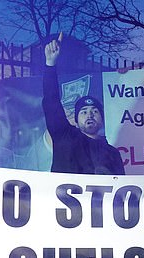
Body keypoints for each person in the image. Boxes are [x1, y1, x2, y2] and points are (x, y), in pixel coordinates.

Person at [42, 33, 125, 175]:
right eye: (84, 112)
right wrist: (50, 64)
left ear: (102, 119)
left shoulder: (113, 153)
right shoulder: (64, 137)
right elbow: (51, 101)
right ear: (75, 119)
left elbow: (121, 188)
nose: (90, 115)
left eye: (95, 111)